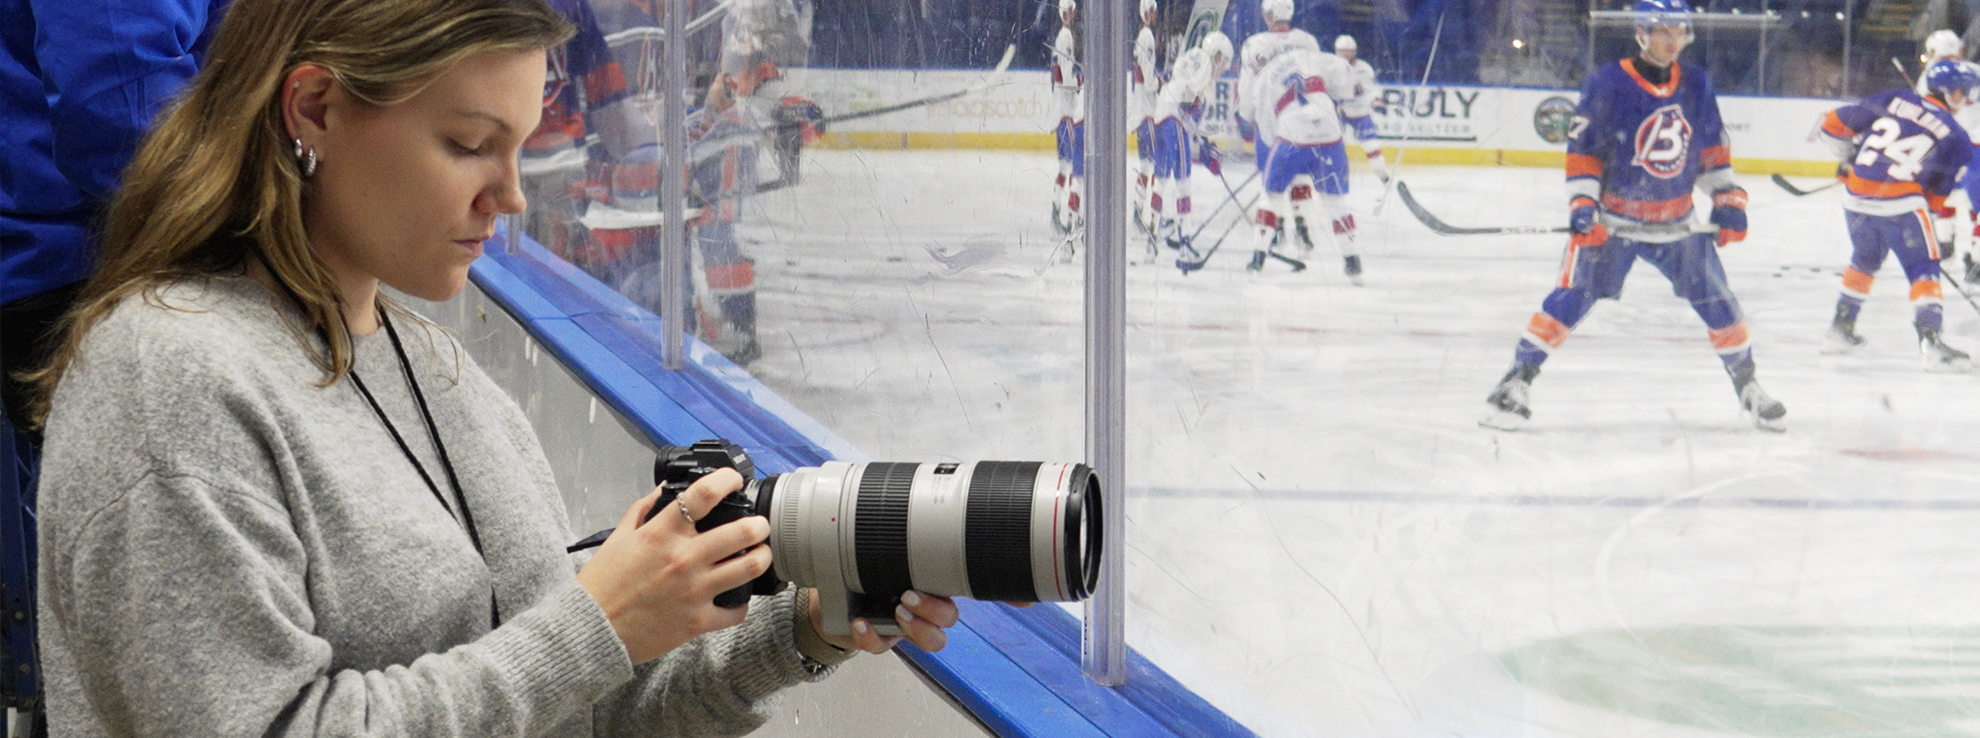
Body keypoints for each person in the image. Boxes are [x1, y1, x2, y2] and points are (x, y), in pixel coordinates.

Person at [22, 0, 965, 734]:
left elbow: (572, 712)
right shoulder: (167, 383)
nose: (508, 196)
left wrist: (797, 629)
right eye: (469, 145)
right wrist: (598, 623)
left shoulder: (432, 366)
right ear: (314, 107)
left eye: (518, 146)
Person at [1481, 0, 1785, 432]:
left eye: (1679, 32)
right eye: (1663, 31)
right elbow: (1584, 154)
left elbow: (1711, 154)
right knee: (1571, 299)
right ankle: (1515, 383)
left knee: (1720, 303)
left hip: (1676, 223)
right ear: (1641, 34)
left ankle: (1749, 389)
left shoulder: (1697, 84)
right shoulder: (1608, 83)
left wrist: (1727, 199)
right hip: (1617, 222)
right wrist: (1584, 205)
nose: (1673, 40)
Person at [1814, 59, 1976, 372]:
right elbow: (1935, 198)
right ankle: (1932, 344)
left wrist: (1849, 160)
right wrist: (1917, 225)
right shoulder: (1956, 138)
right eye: (1963, 92)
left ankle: (1839, 329)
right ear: (1949, 92)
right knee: (1922, 266)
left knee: (1864, 259)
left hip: (1856, 198)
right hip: (1901, 204)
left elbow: (1832, 126)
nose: (1967, 99)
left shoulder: (1892, 97)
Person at [1242, 48, 1364, 282]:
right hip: (1329, 132)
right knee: (1335, 203)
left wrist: (1278, 159)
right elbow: (1342, 70)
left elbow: (1267, 132)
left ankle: (1257, 259)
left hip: (1292, 137)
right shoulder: (1307, 54)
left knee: (1271, 197)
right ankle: (1352, 261)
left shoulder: (1263, 80)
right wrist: (1338, 94)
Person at [1148, 34, 1233, 253]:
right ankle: (1184, 240)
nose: (1224, 68)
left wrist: (1202, 142)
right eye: (1224, 62)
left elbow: (1180, 94)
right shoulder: (1205, 68)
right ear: (1216, 55)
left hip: (1160, 119)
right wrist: (1203, 147)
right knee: (1183, 183)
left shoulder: (1192, 57)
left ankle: (1152, 236)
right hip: (1175, 123)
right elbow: (1187, 108)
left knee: (1161, 181)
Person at [1332, 34, 1389, 183]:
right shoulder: (1331, 67)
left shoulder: (1364, 68)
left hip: (1361, 113)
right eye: (1341, 51)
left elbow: (1370, 89)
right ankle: (1336, 176)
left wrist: (1374, 99)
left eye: (1348, 51)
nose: (1345, 54)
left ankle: (1383, 176)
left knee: (1371, 146)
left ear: (1354, 52)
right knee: (1335, 146)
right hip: (1340, 114)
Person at [1051, 0, 1084, 236]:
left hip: (1061, 111)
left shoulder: (1062, 37)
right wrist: (1082, 80)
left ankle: (1056, 211)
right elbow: (1066, 76)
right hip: (1068, 112)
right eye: (1070, 10)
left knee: (1064, 166)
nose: (1072, 14)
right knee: (1074, 167)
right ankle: (1074, 215)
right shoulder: (1065, 38)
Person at [1133, 0, 1161, 235]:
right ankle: (1147, 213)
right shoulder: (1147, 37)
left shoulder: (1143, 36)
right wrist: (1162, 83)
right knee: (1153, 166)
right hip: (1148, 113)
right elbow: (1149, 77)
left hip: (1142, 114)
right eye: (1151, 11)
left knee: (1145, 166)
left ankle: (1137, 210)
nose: (1154, 14)